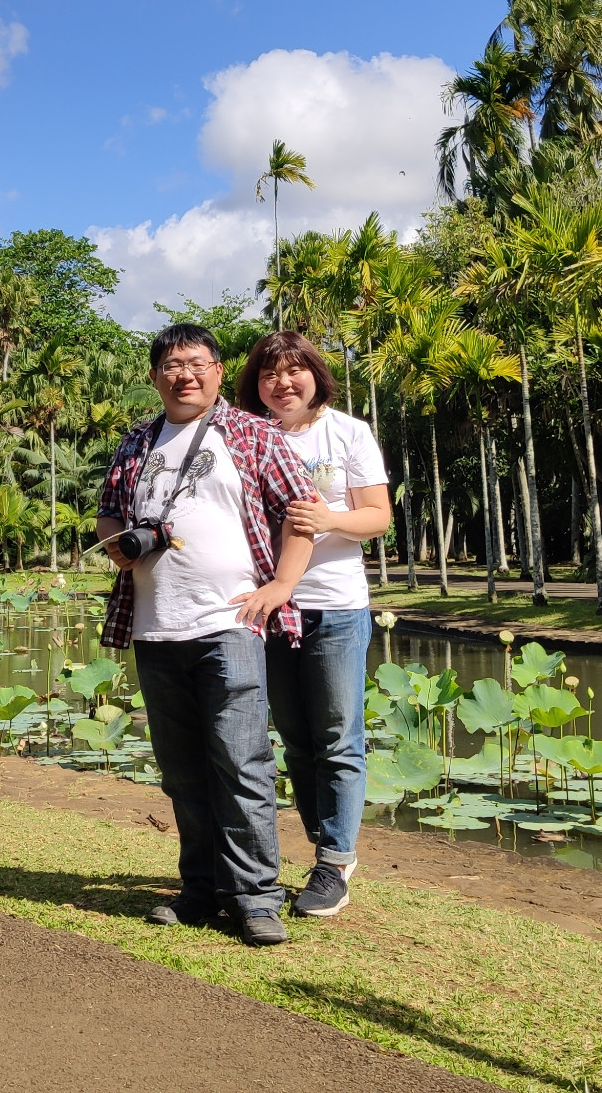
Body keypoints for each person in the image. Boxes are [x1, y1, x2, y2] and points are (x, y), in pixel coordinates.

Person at [96, 322, 318, 947]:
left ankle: (255, 897)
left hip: (230, 624)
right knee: (183, 770)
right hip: (155, 625)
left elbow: (299, 512)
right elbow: (109, 510)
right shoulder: (137, 441)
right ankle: (199, 889)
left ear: (218, 371)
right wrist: (120, 543)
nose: (183, 374)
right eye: (171, 364)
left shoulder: (251, 433)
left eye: (195, 363)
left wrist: (280, 587)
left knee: (241, 761)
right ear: (155, 376)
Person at [237, 330, 391, 919]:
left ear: (315, 375)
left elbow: (378, 516)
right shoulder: (246, 433)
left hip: (335, 603)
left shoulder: (348, 432)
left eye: (294, 370)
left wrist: (330, 517)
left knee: (338, 734)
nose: (283, 383)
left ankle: (334, 861)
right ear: (256, 382)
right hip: (270, 608)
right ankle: (323, 853)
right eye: (270, 373)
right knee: (297, 739)